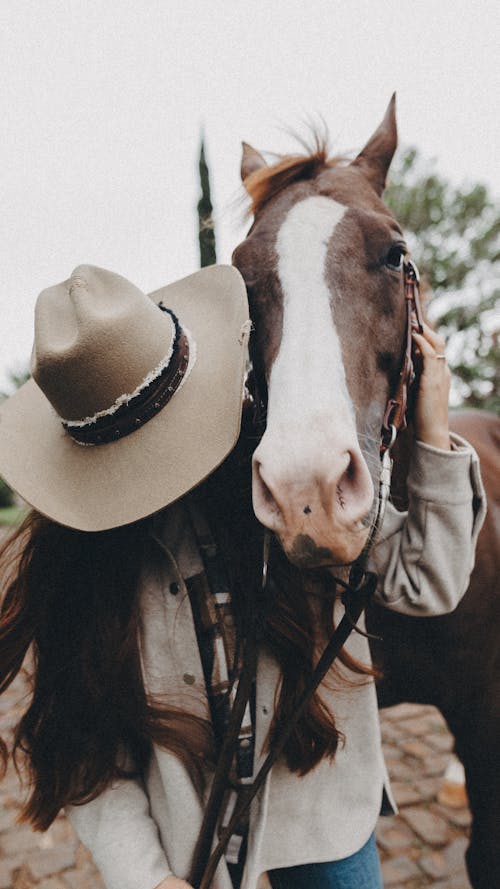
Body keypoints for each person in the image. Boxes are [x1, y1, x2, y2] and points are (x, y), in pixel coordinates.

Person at [0, 265, 485, 889]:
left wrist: (433, 433)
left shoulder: (291, 488)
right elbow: (85, 758)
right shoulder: (77, 579)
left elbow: (430, 580)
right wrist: (144, 877)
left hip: (325, 828)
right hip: (191, 861)